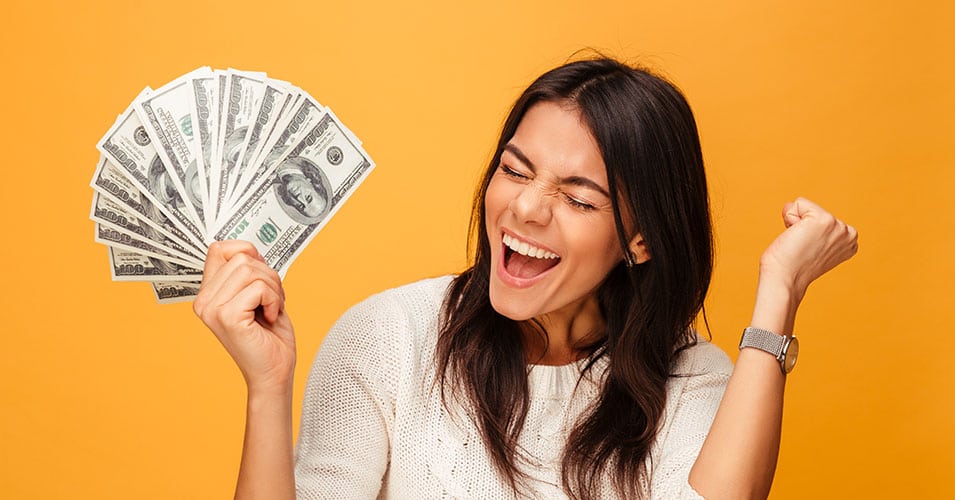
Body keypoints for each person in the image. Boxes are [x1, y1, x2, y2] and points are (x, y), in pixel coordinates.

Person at [193, 57, 858, 499]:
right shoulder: (387, 337)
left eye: (578, 197)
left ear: (642, 237)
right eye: (515, 169)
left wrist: (780, 290)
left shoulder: (697, 382)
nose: (526, 208)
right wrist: (267, 389)